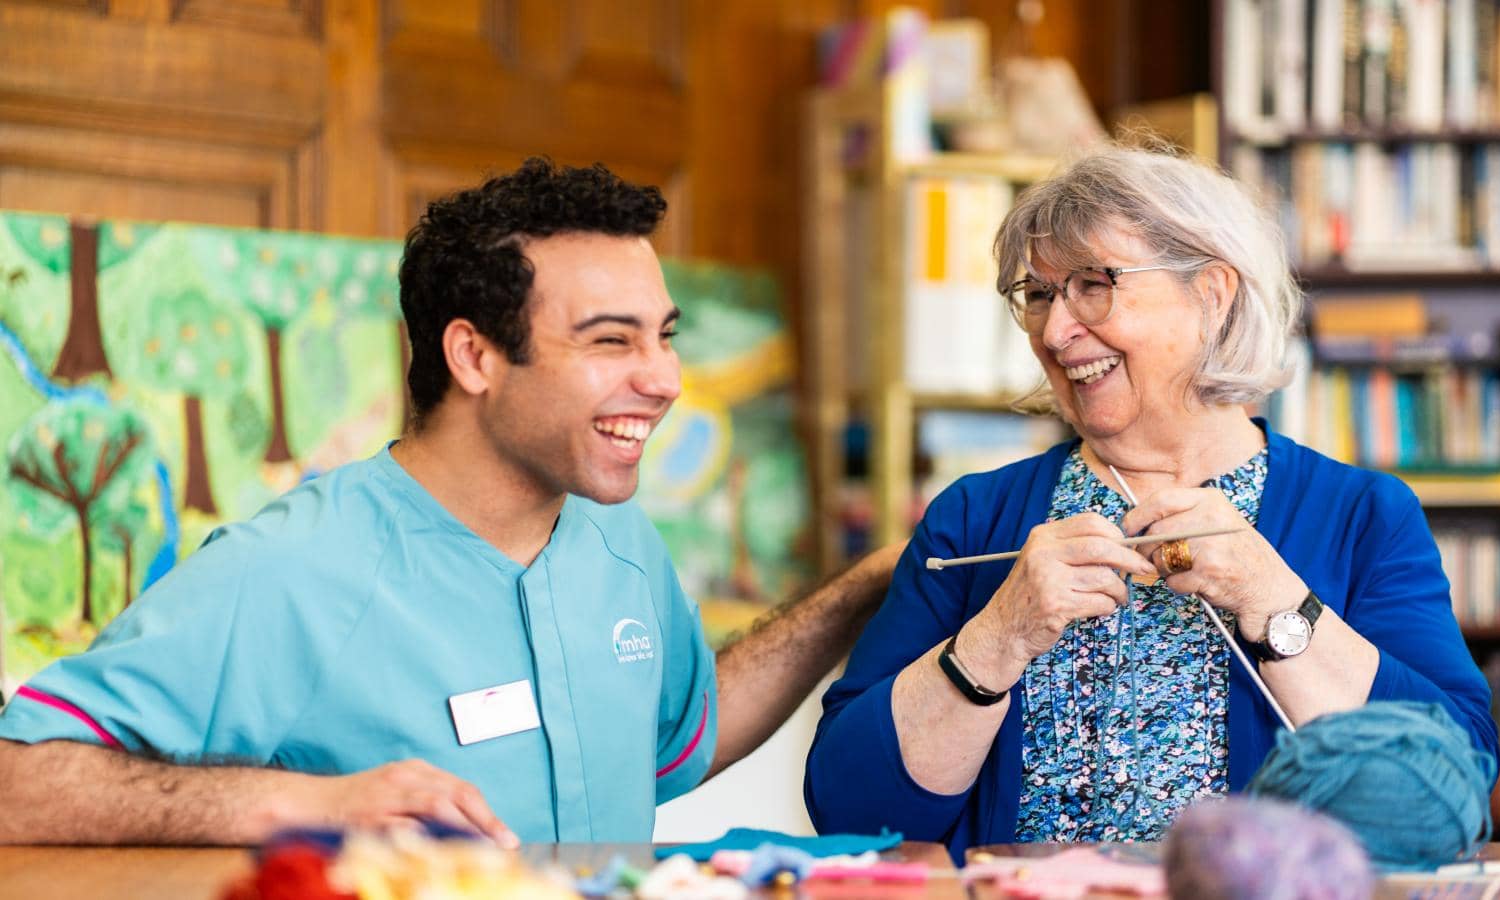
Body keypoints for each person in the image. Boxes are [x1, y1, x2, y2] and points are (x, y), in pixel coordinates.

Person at [0, 159, 900, 847]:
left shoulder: (617, 537)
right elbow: (17, 782)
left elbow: (679, 739)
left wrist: (867, 585)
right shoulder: (288, 569)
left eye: (662, 337)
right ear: (473, 357)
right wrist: (304, 803)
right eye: (610, 341)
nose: (663, 379)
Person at [804, 146, 1498, 858]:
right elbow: (848, 806)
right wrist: (997, 637)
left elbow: (1454, 779)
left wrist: (1277, 603)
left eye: (1092, 285)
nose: (1054, 331)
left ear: (1213, 293)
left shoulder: (1363, 516)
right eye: (1039, 295)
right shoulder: (973, 520)